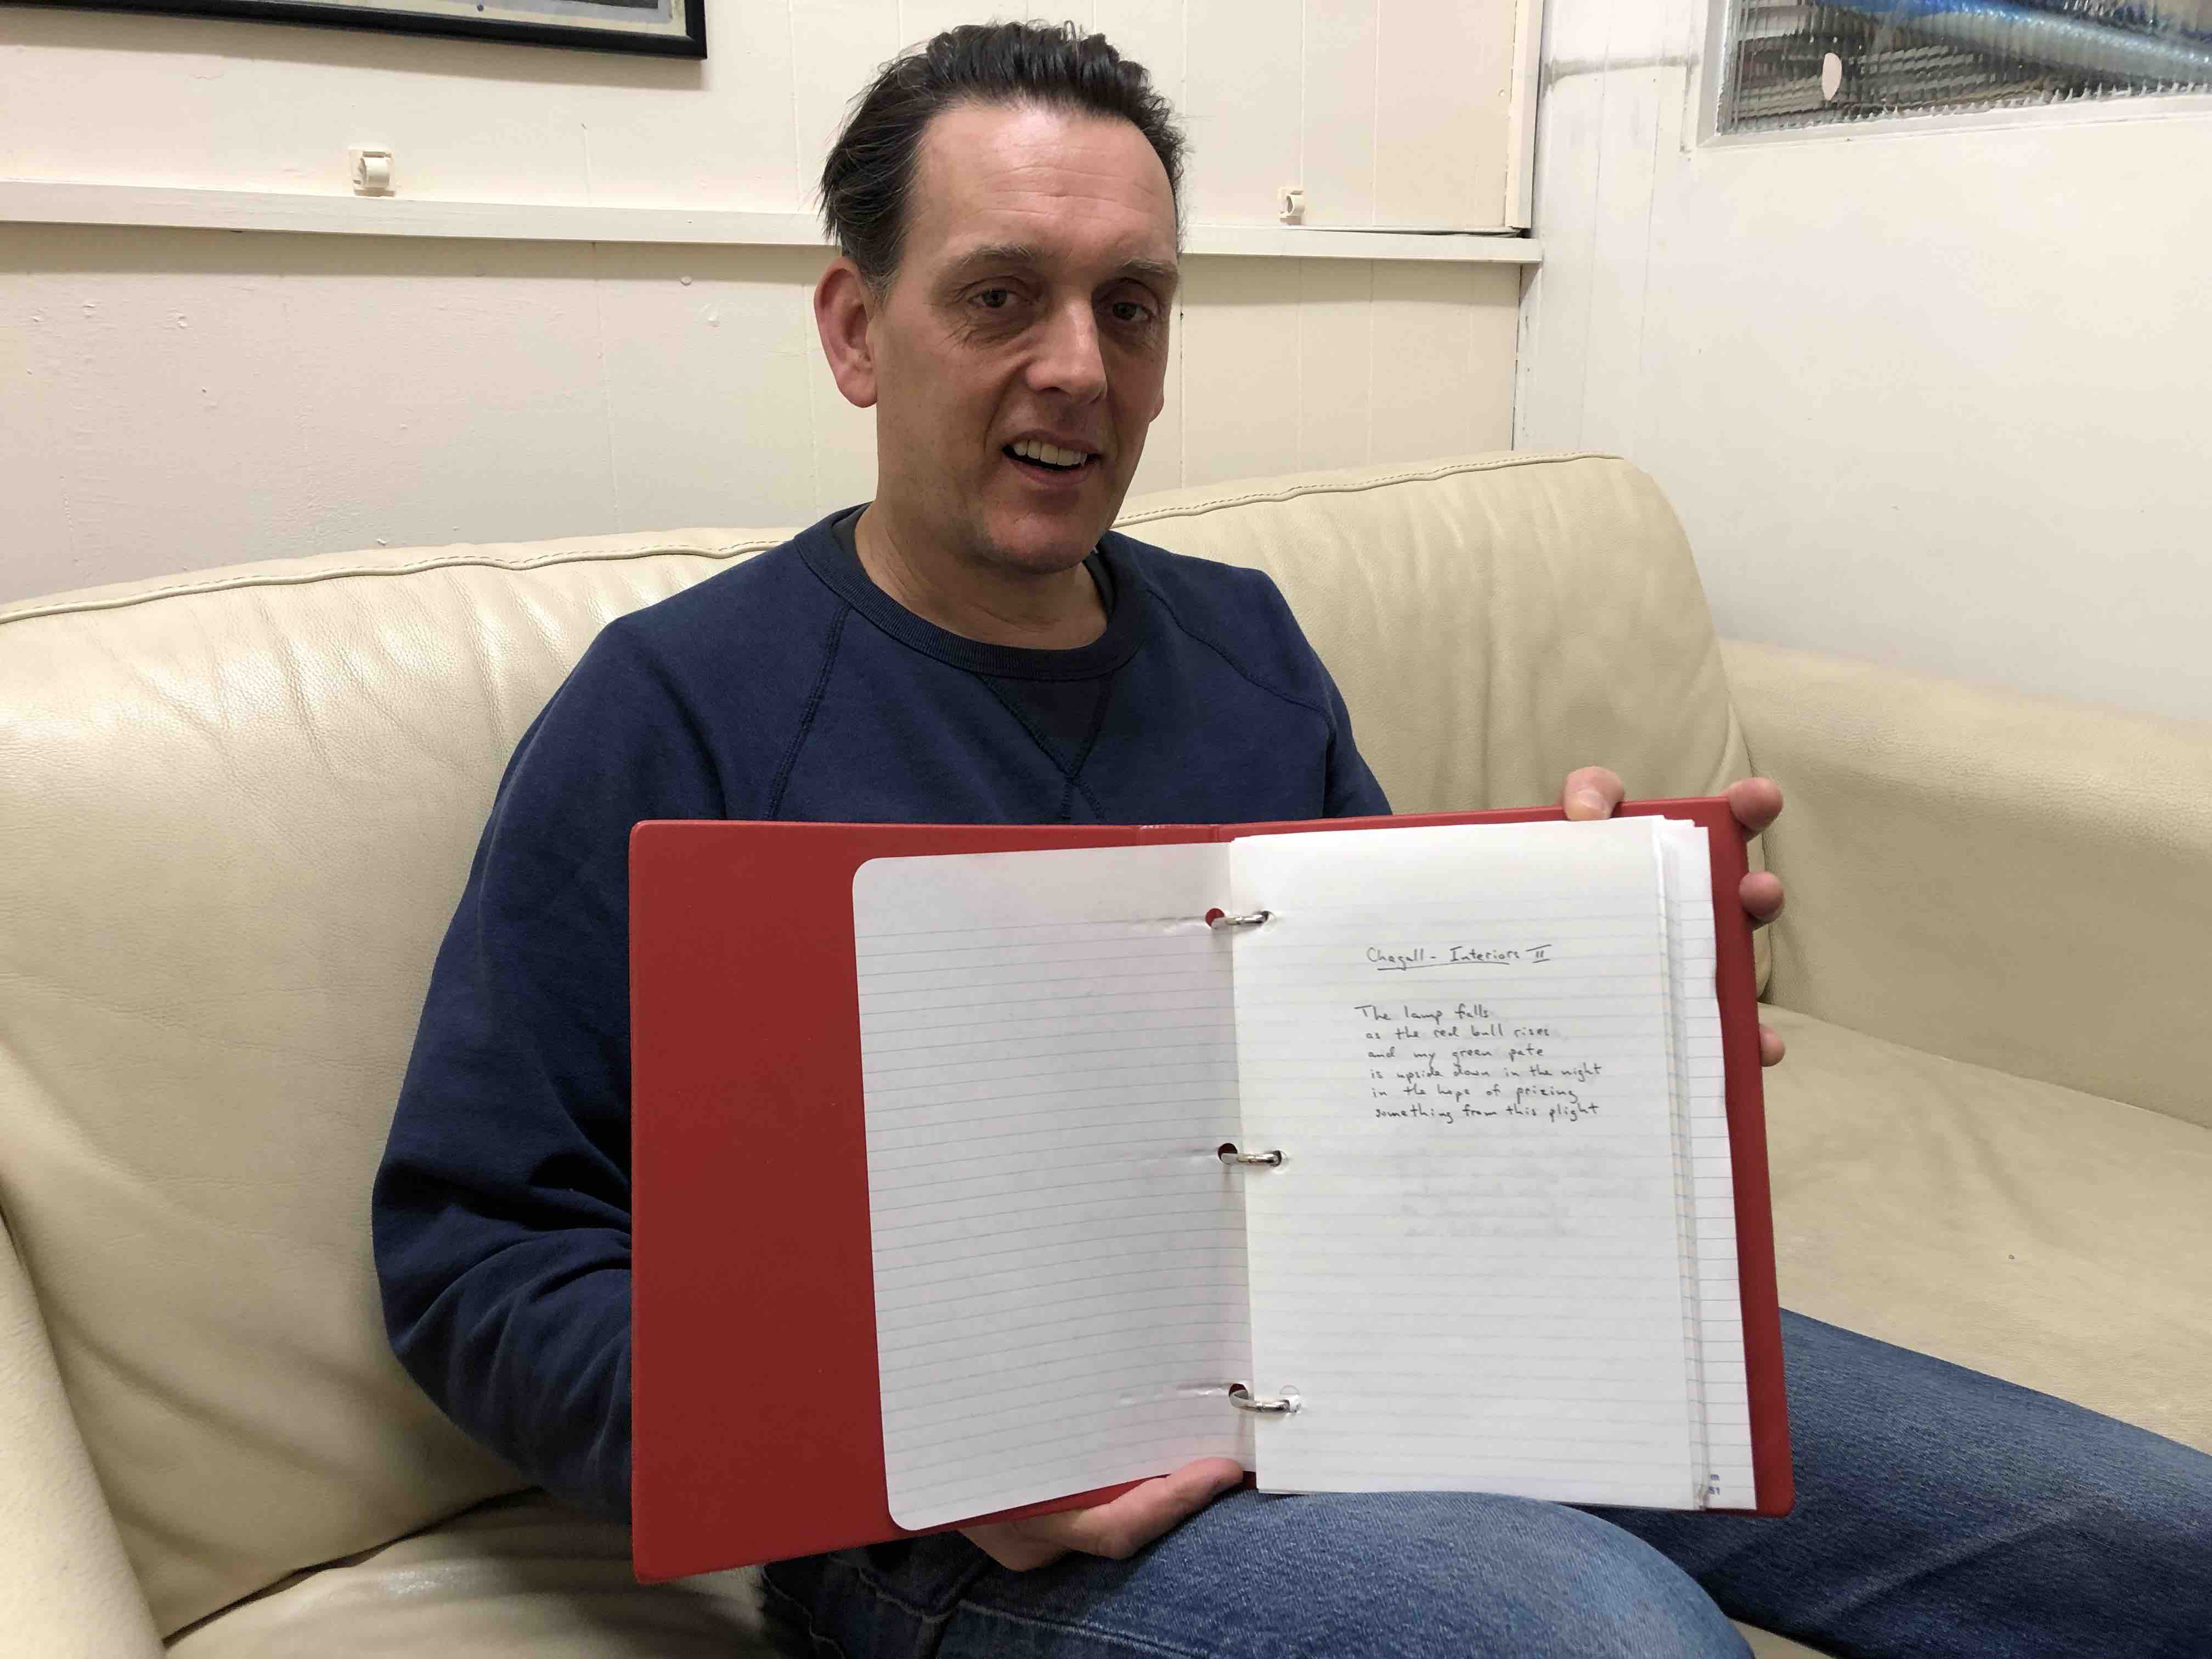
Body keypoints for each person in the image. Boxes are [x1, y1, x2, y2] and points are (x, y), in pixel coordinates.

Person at [373, 21, 2210, 1658]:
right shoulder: (677, 708)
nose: (1078, 366)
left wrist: (1604, 997)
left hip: (1384, 1340)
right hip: (960, 1511)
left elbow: (1370, 1091)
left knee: (2153, 1538)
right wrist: (883, 1452)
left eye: (1132, 305)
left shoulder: (1244, 641)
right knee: (1609, 1639)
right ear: (858, 332)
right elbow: (475, 1255)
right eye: (1001, 297)